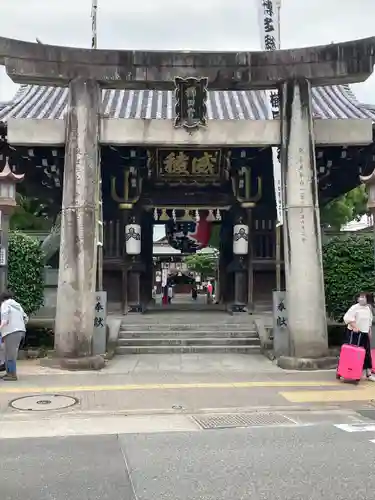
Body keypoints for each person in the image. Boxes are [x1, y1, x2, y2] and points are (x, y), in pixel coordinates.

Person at [343, 292, 375, 382]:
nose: (361, 299)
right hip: (355, 333)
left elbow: (369, 320)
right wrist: (355, 326)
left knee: (367, 353)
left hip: (364, 333)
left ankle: (368, 373)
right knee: (353, 353)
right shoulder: (354, 308)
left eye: (363, 297)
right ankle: (349, 372)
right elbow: (347, 318)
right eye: (360, 297)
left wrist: (369, 330)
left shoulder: (368, 308)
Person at [0, 291, 28, 381]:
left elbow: (5, 318)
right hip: (20, 331)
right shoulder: (17, 305)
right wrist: (20, 325)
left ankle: (12, 375)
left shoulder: (5, 304)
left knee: (10, 354)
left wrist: (1, 327)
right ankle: (9, 373)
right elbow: (26, 318)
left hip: (11, 332)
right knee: (9, 353)